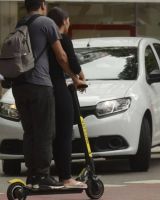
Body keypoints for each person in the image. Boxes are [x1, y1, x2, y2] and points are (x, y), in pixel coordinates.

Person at [12, 0, 84, 189]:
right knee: (45, 132)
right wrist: (75, 78)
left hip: (19, 85)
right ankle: (43, 176)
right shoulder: (46, 23)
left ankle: (32, 175)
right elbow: (61, 56)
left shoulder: (21, 24)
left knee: (31, 132)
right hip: (39, 85)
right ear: (43, 5)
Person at [47, 7, 87, 188]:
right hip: (58, 87)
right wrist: (79, 77)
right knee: (64, 133)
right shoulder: (62, 39)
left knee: (47, 135)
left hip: (42, 89)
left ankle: (44, 175)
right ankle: (66, 177)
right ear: (65, 21)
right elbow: (71, 60)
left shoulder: (43, 40)